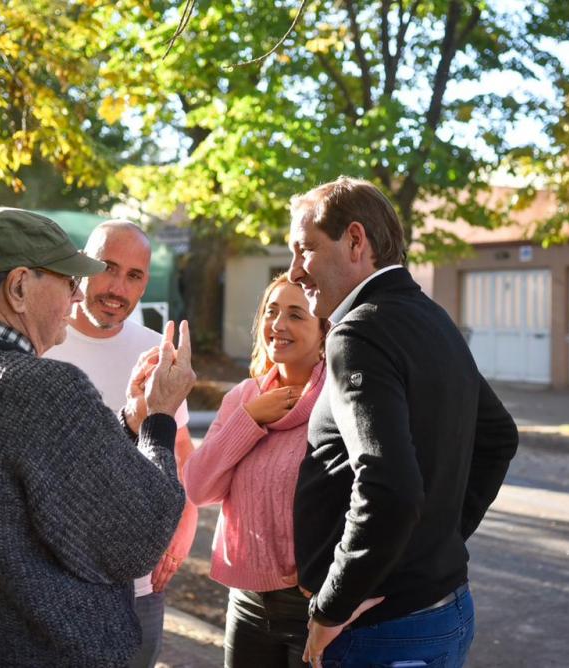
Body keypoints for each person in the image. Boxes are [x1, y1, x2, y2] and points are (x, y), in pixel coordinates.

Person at [0, 207, 195, 667]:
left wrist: (131, 418)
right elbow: (141, 536)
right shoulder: (43, 388)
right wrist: (160, 418)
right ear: (18, 288)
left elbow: (32, 471)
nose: (76, 296)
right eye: (67, 280)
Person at [286, 178, 519, 667]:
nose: (294, 271)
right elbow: (499, 437)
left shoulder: (358, 330)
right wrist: (436, 542)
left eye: (304, 250)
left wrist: (332, 606)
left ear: (355, 241)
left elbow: (389, 485)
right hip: (441, 609)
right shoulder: (431, 316)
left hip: (381, 630)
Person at [43, 220, 197, 668]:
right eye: (107, 268)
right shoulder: (42, 340)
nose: (117, 288)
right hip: (55, 578)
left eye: (134, 276)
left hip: (138, 581)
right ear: (81, 264)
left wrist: (181, 532)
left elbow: (181, 449)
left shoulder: (155, 349)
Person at [183, 273, 328, 667]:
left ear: (324, 331)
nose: (278, 325)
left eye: (296, 315)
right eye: (271, 311)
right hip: (247, 601)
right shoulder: (243, 398)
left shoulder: (337, 402)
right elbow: (198, 488)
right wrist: (248, 419)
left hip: (313, 606)